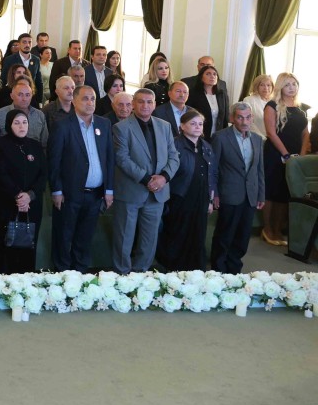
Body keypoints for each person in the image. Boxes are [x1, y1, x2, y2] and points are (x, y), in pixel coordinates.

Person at [111, 88, 180, 274]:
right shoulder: (121, 127)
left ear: (155, 104)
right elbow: (122, 159)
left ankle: (141, 274)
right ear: (133, 104)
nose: (145, 105)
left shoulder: (165, 126)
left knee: (150, 239)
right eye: (141, 101)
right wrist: (146, 179)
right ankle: (122, 276)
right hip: (131, 190)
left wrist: (164, 178)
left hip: (158, 192)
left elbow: (174, 156)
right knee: (124, 238)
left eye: (149, 102)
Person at [48, 86, 115, 272]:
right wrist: (56, 190)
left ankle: (80, 273)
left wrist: (109, 189)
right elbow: (54, 161)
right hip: (69, 194)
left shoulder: (104, 124)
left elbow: (109, 158)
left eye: (93, 99)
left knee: (85, 237)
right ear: (74, 101)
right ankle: (62, 273)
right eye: (85, 98)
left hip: (95, 194)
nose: (90, 102)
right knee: (64, 236)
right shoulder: (62, 125)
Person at [0, 110, 47, 274]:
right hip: (7, 203)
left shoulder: (35, 145)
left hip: (32, 205)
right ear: (9, 125)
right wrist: (19, 196)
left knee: (28, 244)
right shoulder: (0, 145)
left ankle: (26, 279)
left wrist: (30, 195)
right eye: (17, 123)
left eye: (24, 122)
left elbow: (43, 174)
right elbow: (0, 173)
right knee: (6, 245)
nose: (22, 126)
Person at [211, 103, 267, 273]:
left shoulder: (257, 139)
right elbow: (213, 169)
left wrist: (261, 194)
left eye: (248, 117)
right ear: (232, 118)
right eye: (240, 117)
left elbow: (259, 169)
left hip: (250, 195)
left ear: (252, 118)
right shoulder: (220, 137)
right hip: (229, 194)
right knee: (224, 235)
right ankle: (218, 271)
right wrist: (214, 193)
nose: (244, 121)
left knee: (243, 236)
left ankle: (234, 270)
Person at [157, 110, 216, 271]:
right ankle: (174, 269)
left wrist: (211, 199)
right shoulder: (174, 144)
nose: (197, 127)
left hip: (201, 196)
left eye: (200, 124)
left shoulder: (206, 146)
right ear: (182, 126)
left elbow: (212, 174)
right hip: (180, 196)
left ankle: (195, 270)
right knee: (177, 233)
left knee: (198, 234)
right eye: (193, 123)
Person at [261, 72, 309, 245]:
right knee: (271, 191)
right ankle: (267, 229)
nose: (291, 88)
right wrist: (286, 155)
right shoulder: (272, 105)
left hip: (295, 157)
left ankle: (277, 229)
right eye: (287, 84)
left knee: (284, 192)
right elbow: (271, 133)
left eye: (294, 84)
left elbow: (305, 134)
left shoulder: (301, 108)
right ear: (280, 87)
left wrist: (300, 157)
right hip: (275, 154)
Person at [0, 79, 49, 146]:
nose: (24, 99)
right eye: (20, 95)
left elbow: (44, 144)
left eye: (27, 95)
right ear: (12, 96)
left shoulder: (39, 115)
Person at [186, 64, 229, 136]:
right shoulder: (193, 94)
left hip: (218, 135)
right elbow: (189, 116)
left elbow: (225, 117)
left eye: (214, 74)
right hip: (200, 134)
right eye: (208, 74)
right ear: (201, 77)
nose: (212, 76)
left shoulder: (221, 94)